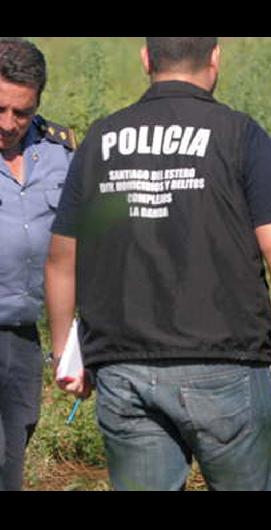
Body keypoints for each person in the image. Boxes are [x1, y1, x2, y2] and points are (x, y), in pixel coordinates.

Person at [44, 37, 271, 491]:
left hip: (124, 362)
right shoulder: (238, 133)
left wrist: (64, 349)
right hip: (224, 359)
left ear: (146, 59)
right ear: (215, 59)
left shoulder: (101, 139)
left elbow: (63, 256)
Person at [0, 38, 75, 491]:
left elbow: (88, 234)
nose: (7, 123)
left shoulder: (60, 152)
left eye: (21, 113)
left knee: (16, 441)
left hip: (24, 333)